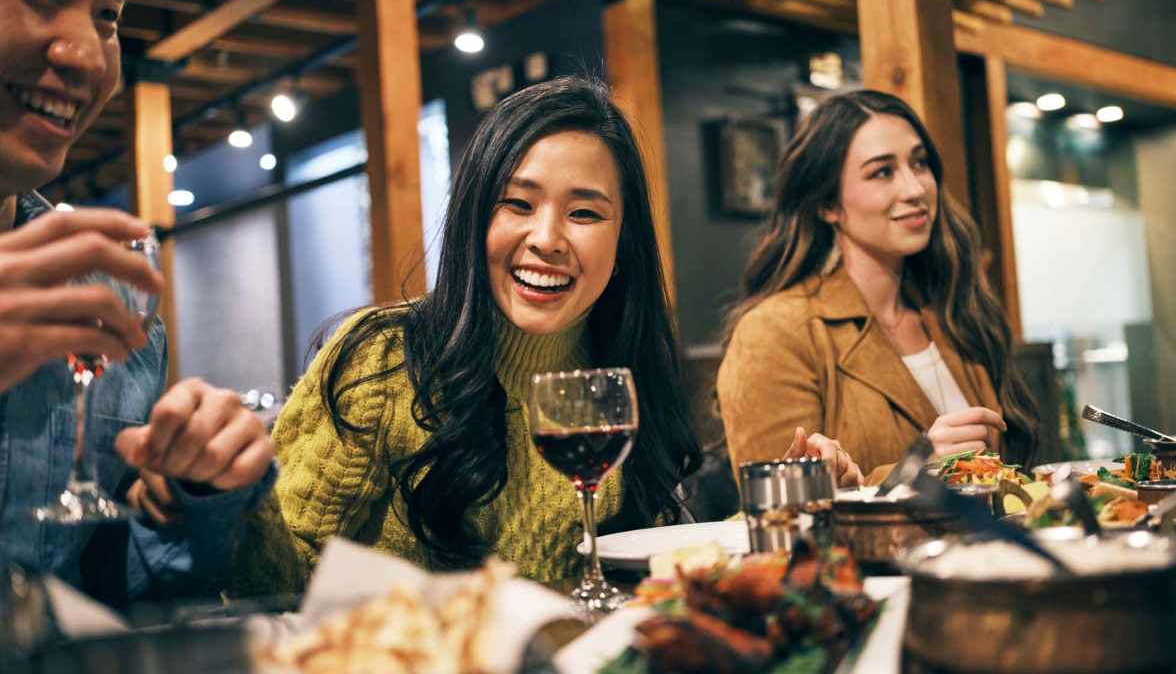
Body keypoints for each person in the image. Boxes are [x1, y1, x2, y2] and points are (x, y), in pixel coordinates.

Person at [237, 76, 701, 592]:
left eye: (585, 213)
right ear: (474, 219)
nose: (547, 239)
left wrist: (790, 518)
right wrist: (229, 497)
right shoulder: (385, 359)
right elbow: (274, 581)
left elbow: (667, 572)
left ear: (623, 243)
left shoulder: (622, 378)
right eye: (518, 204)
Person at [0, 0, 274, 605]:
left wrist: (194, 488)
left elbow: (121, 583)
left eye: (109, 15)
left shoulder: (104, 290)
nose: (89, 55)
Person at [717, 89, 1037, 485]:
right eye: (882, 172)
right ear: (828, 205)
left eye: (919, 163)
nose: (915, 189)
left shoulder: (953, 310)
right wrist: (919, 467)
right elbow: (780, 508)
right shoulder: (775, 332)